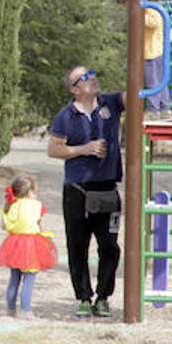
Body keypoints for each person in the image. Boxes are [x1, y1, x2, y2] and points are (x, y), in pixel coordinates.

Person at [47, 65, 124, 318]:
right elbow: (54, 150)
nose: (92, 78)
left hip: (107, 189)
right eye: (85, 77)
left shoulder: (110, 104)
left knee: (110, 247)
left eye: (93, 73)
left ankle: (103, 297)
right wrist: (84, 149)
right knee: (78, 246)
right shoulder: (65, 116)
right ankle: (83, 297)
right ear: (74, 89)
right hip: (77, 191)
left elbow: (134, 95)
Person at [0, 174, 57, 319]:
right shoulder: (37, 205)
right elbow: (39, 226)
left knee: (14, 279)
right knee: (29, 278)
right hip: (31, 244)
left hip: (14, 244)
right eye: (35, 191)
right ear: (29, 192)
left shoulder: (12, 205)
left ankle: (10, 309)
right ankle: (25, 310)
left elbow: (4, 225)